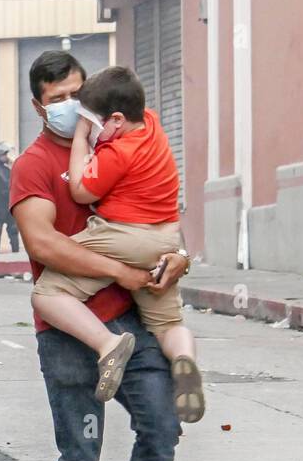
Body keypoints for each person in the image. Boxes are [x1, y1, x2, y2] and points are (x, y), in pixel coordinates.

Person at [10, 50, 185, 461]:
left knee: (163, 426)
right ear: (39, 106)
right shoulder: (34, 165)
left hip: (131, 316)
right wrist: (120, 270)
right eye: (57, 98)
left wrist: (177, 257)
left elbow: (155, 220)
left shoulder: (125, 146)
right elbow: (44, 245)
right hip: (69, 328)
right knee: (81, 452)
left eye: (76, 94)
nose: (69, 107)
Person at [30, 65, 203, 419]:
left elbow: (80, 192)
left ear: (118, 120)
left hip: (124, 235)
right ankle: (184, 360)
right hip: (164, 238)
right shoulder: (153, 125)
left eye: (91, 119)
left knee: (46, 294)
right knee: (168, 324)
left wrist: (81, 138)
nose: (88, 125)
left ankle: (107, 344)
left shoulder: (117, 152)